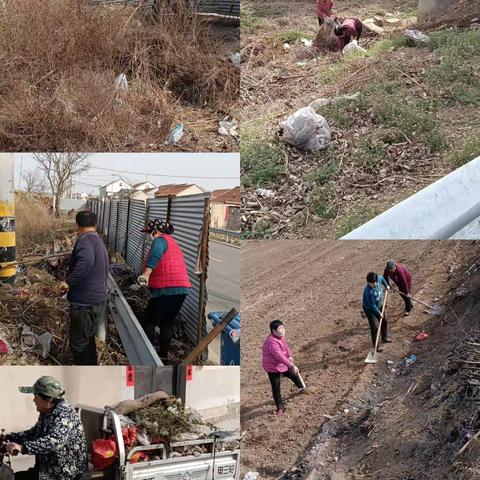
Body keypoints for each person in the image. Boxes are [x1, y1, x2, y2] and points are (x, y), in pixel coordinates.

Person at [5, 376, 88, 480]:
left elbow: (54, 442)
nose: (34, 399)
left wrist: (23, 448)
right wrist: (10, 437)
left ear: (49, 398)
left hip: (63, 473)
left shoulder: (65, 414)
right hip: (46, 468)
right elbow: (35, 432)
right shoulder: (47, 411)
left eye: (36, 396)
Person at [137, 219, 191, 358]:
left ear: (155, 231)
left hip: (166, 288)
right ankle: (163, 355)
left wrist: (146, 275)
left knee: (150, 319)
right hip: (182, 289)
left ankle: (146, 354)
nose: (149, 235)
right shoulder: (172, 242)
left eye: (150, 232)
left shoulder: (160, 241)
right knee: (167, 322)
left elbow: (156, 255)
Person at [66, 210, 109, 365]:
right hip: (98, 300)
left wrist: (68, 281)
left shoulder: (84, 241)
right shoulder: (98, 241)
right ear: (95, 224)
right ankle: (91, 369)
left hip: (84, 302)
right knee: (87, 339)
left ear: (77, 225)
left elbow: (85, 262)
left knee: (79, 344)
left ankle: (84, 375)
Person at [262, 320, 305, 416]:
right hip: (272, 367)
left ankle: (302, 388)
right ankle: (280, 407)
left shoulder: (280, 337)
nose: (282, 330)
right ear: (273, 330)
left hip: (282, 364)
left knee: (293, 375)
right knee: (276, 387)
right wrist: (292, 365)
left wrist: (289, 355)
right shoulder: (271, 342)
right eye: (279, 328)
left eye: (283, 328)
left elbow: (286, 347)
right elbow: (279, 356)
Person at [362, 272, 392, 352]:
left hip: (379, 305)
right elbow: (372, 305)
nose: (374, 284)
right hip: (370, 309)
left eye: (375, 282)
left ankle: (384, 337)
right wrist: (379, 313)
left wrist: (386, 285)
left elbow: (382, 278)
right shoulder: (368, 291)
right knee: (374, 327)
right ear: (368, 283)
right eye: (372, 283)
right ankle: (376, 347)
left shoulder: (377, 279)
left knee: (384, 321)